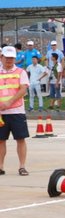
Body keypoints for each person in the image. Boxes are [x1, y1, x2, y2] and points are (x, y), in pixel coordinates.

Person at [0, 46, 30, 176]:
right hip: (1, 113)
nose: (9, 60)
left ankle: (22, 166)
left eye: (12, 58)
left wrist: (9, 102)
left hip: (17, 111)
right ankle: (0, 166)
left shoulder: (20, 72)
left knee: (20, 139)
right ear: (1, 57)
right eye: (7, 57)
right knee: (1, 140)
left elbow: (23, 90)